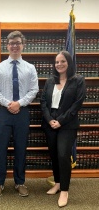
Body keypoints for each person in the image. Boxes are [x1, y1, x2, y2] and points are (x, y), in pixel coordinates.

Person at [0, 31, 39, 198]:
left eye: (18, 42)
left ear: (22, 45)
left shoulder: (30, 68)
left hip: (22, 112)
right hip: (3, 112)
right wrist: (8, 104)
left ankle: (20, 182)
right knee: (1, 149)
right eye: (12, 43)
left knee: (21, 149)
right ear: (7, 45)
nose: (15, 46)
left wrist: (20, 103)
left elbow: (34, 90)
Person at [40, 51, 86, 207]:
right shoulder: (50, 81)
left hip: (67, 125)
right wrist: (49, 119)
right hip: (50, 124)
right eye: (57, 62)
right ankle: (58, 183)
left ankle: (65, 191)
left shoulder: (78, 80)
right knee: (54, 155)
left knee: (63, 155)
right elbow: (43, 103)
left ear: (69, 63)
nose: (59, 64)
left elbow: (77, 104)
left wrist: (60, 121)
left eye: (62, 61)